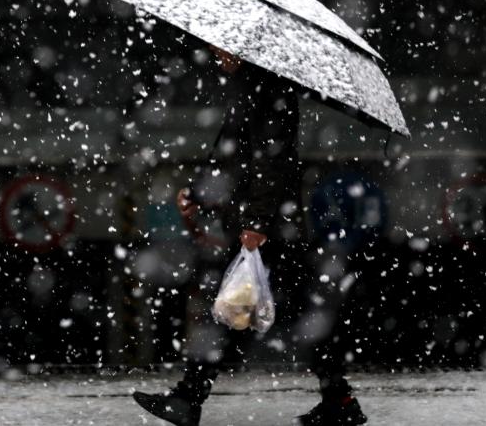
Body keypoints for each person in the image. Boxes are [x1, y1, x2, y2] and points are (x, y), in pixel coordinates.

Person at [132, 46, 367, 426]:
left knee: (235, 309)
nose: (215, 52)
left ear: (246, 48)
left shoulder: (267, 89)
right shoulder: (250, 87)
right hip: (265, 224)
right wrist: (197, 194)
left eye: (222, 47)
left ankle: (189, 398)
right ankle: (339, 400)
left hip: (266, 228)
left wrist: (257, 222)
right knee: (258, 310)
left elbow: (272, 161)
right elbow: (232, 156)